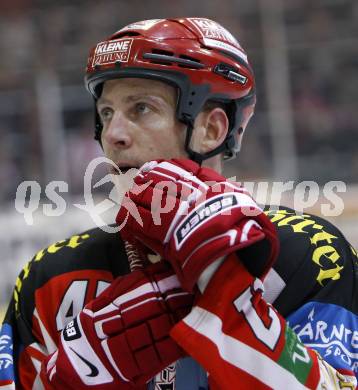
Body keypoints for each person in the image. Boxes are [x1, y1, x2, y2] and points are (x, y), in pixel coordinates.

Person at [0, 17, 357, 389]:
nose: (113, 134)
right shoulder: (52, 278)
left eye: (141, 108)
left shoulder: (308, 252)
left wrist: (228, 297)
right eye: (106, 113)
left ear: (212, 130)